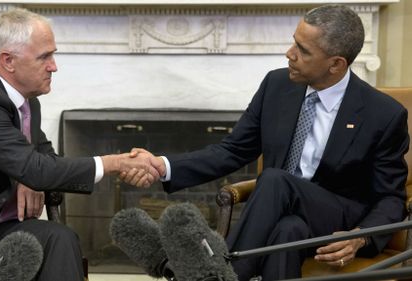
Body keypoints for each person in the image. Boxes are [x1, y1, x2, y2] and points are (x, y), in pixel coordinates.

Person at [123, 4, 409, 280]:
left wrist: (360, 237)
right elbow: (232, 150)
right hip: (286, 215)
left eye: (303, 50)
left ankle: (222, 274)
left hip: (337, 218)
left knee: (274, 180)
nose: (289, 54)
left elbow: (390, 197)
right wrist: (162, 165)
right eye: (293, 43)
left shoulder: (382, 114)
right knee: (288, 229)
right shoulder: (276, 86)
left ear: (336, 64)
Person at [0, 8, 158, 281]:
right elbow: (36, 166)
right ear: (8, 60)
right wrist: (114, 162)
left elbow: (44, 162)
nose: (54, 66)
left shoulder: (28, 103)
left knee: (59, 238)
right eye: (44, 57)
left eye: (53, 55)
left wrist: (29, 178)